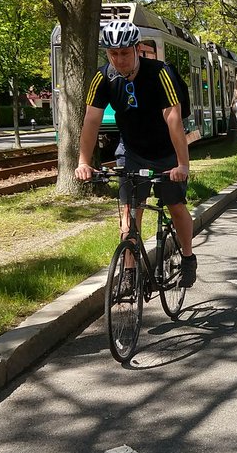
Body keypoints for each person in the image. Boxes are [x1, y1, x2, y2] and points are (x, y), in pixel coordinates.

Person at [75, 19, 197, 288]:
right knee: (129, 216)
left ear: (137, 48)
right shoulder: (103, 77)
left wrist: (182, 164)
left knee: (176, 207)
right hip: (131, 151)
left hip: (166, 151)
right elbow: (91, 121)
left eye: (125, 53)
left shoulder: (160, 73)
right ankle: (130, 273)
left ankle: (188, 257)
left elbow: (173, 118)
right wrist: (84, 161)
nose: (119, 59)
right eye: (113, 54)